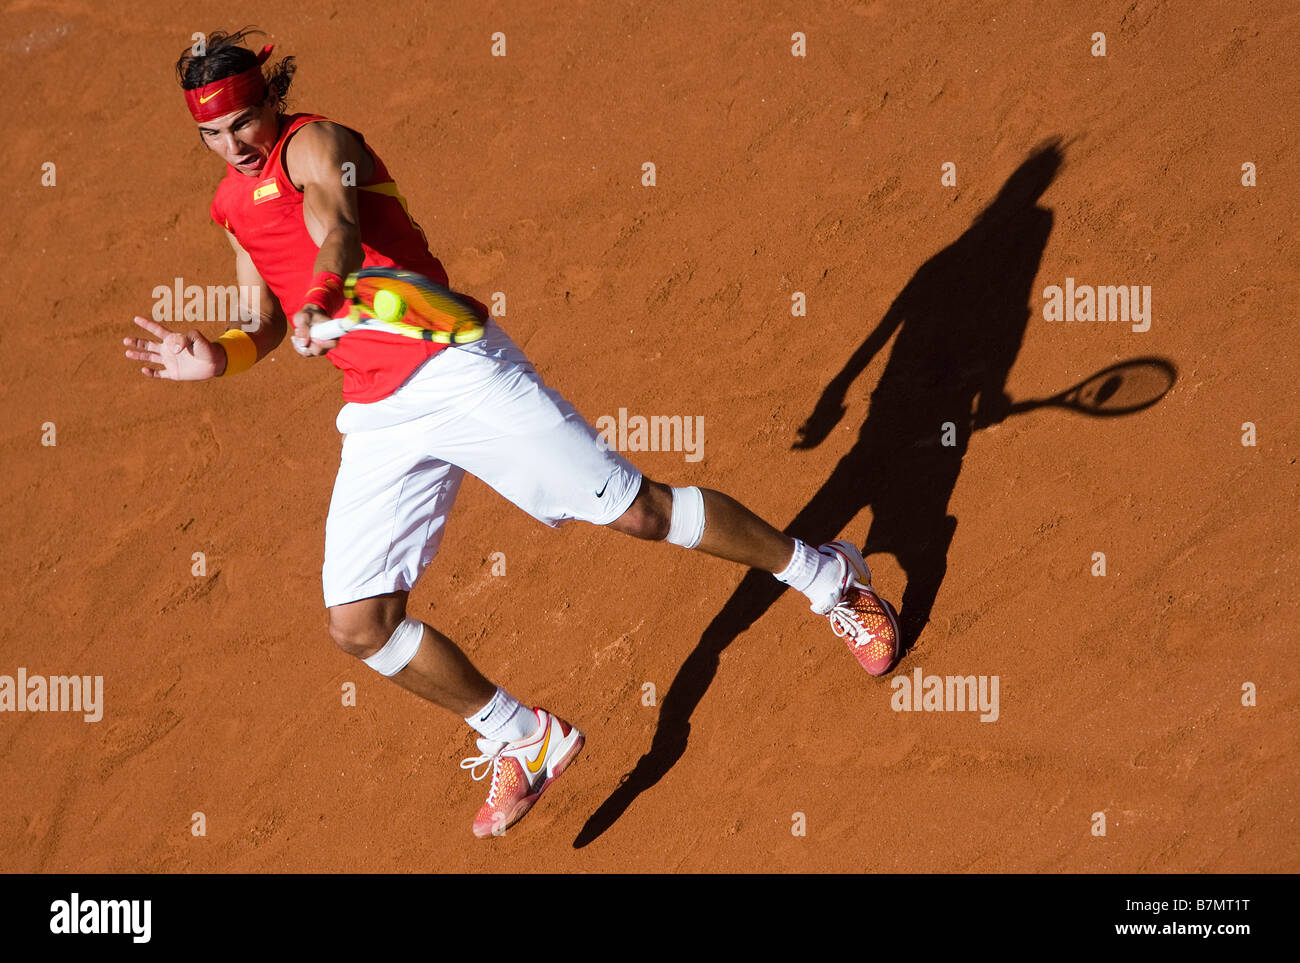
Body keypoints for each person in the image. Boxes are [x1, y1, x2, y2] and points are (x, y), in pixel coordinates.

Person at [123, 29, 900, 839]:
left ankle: (828, 577)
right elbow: (264, 318)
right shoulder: (227, 203)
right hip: (378, 406)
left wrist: (326, 292)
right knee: (357, 621)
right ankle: (523, 737)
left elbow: (339, 230)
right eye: (211, 134)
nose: (233, 144)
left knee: (636, 511)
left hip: (453, 363)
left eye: (243, 120)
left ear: (269, 100)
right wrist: (219, 356)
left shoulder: (316, 142)